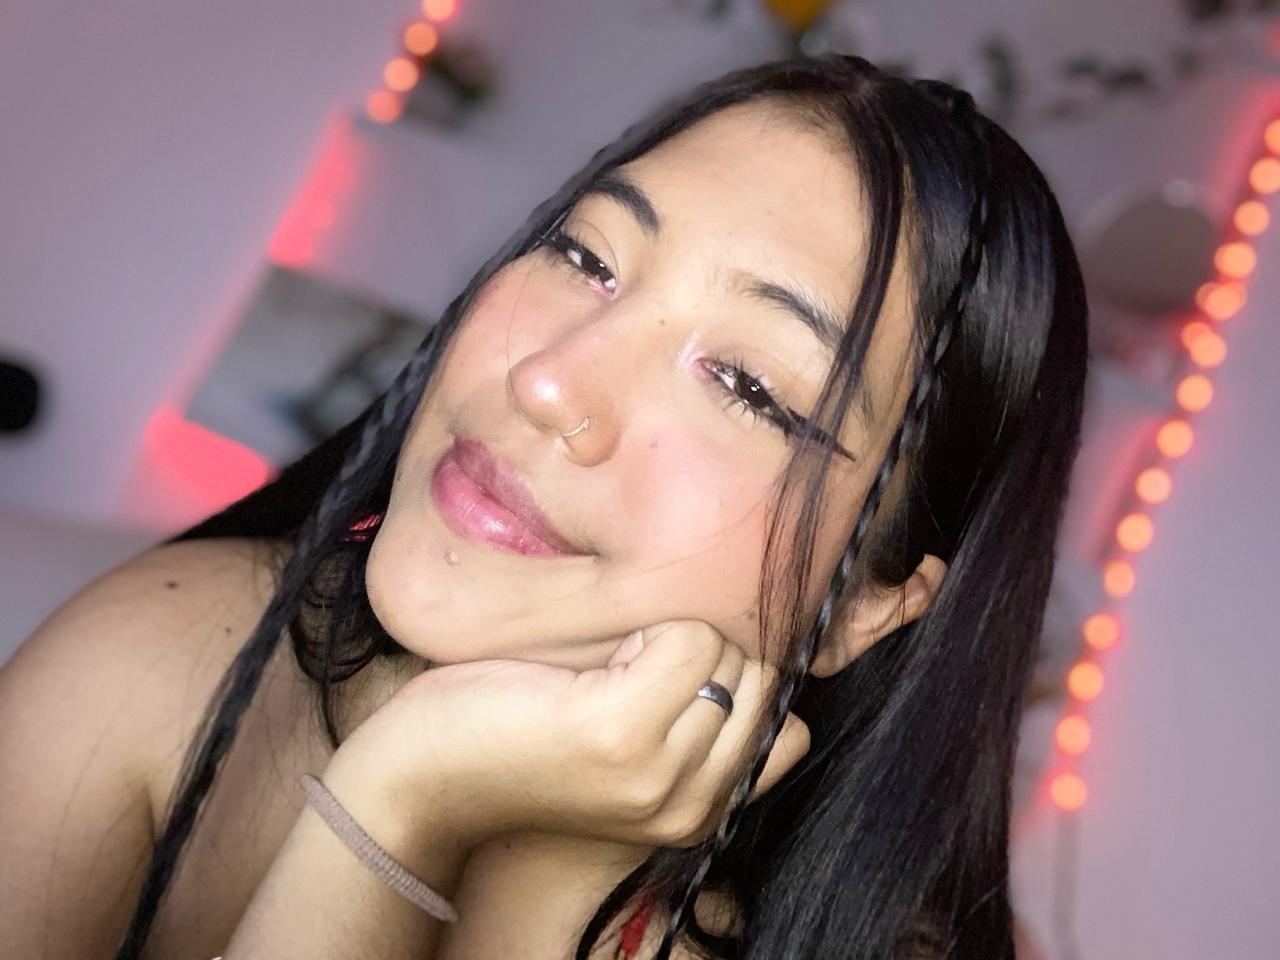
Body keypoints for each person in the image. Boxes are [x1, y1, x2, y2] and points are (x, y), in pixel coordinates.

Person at [0, 53, 1088, 960]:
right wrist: (401, 809)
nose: (548, 381)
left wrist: (417, 816)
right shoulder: (158, 667)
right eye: (584, 256)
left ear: (868, 603)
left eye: (748, 385)